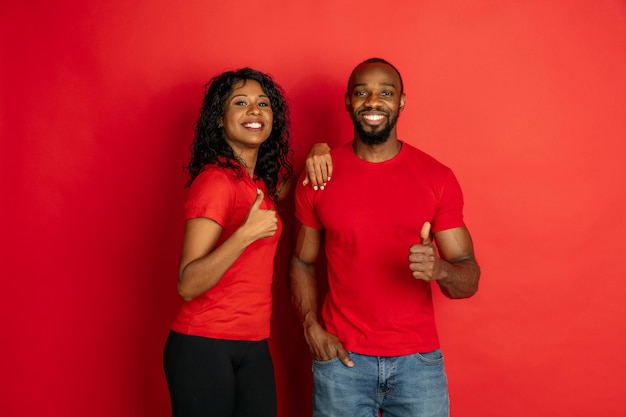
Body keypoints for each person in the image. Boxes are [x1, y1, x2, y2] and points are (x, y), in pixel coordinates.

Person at [290, 58, 481, 417]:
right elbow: (302, 261)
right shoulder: (320, 174)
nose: (373, 102)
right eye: (362, 93)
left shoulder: (436, 177)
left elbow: (468, 278)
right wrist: (310, 327)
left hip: (418, 366)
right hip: (340, 364)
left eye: (386, 93)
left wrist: (439, 269)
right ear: (348, 101)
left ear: (401, 102)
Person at [163, 67, 327, 417]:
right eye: (241, 102)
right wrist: (245, 234)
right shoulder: (215, 182)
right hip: (203, 345)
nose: (255, 110)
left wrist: (319, 148)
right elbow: (187, 284)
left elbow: (297, 180)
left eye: (263, 103)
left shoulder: (258, 186)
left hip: (253, 344)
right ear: (220, 121)